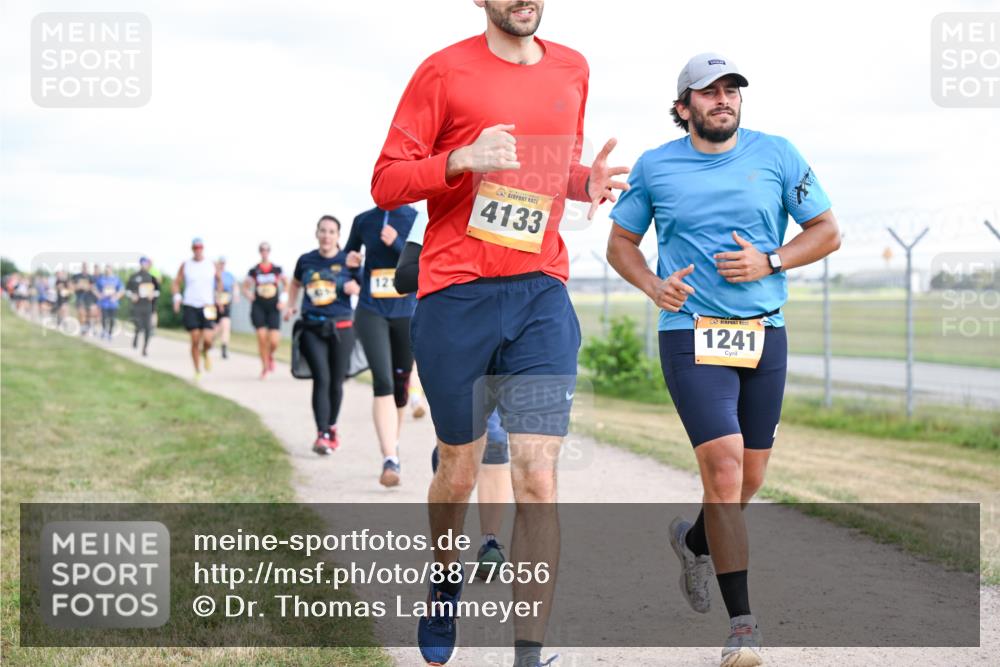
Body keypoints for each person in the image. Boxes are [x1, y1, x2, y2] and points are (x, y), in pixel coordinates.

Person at [371, 1, 628, 664]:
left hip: (541, 292)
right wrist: (460, 158)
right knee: (457, 467)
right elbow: (387, 179)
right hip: (456, 294)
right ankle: (444, 580)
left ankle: (528, 652)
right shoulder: (443, 72)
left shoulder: (573, 69)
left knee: (537, 474)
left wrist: (584, 182)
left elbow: (543, 172)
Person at [606, 53, 841, 667]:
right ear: (683, 106)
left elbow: (827, 230)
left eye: (731, 90)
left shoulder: (778, 154)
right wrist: (654, 287)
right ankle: (743, 627)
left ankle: (693, 541)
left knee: (749, 480)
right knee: (725, 466)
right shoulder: (657, 167)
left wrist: (774, 261)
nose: (723, 100)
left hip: (763, 332)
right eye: (707, 92)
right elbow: (620, 244)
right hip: (690, 331)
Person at [396, 211, 512, 578]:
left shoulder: (519, 198)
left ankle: (490, 542)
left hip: (505, 327)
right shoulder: (435, 207)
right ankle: (449, 543)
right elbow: (404, 277)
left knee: (495, 435)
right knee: (458, 448)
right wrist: (459, 260)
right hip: (450, 334)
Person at [344, 204, 418, 487]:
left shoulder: (415, 219)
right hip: (371, 308)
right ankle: (389, 458)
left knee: (400, 383)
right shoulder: (363, 220)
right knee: (383, 381)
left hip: (406, 311)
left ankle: (393, 442)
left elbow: (425, 263)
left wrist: (397, 243)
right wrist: (350, 268)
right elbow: (348, 262)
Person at [284, 216, 361, 455]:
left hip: (342, 327)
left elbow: (364, 288)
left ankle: (332, 427)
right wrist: (290, 304)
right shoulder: (306, 260)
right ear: (316, 233)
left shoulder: (349, 260)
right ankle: (322, 434)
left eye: (332, 232)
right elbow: (295, 283)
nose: (327, 236)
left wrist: (355, 287)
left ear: (338, 236)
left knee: (337, 381)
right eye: (323, 231)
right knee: (322, 378)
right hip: (312, 327)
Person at [172, 238, 221, 381]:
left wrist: (218, 296)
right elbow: (176, 283)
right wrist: (177, 298)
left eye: (200, 247)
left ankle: (205, 352)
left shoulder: (211, 264)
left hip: (208, 306)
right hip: (190, 305)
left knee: (208, 339)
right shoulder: (186, 265)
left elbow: (219, 281)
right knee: (194, 339)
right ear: (192, 249)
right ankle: (197, 370)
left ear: (203, 248)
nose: (198, 249)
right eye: (195, 247)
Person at [244, 242, 287, 379]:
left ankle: (270, 355)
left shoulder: (277, 269)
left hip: (273, 306)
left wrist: (283, 299)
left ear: (269, 252)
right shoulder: (254, 270)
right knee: (262, 337)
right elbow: (245, 287)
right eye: (262, 250)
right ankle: (264, 368)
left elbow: (287, 284)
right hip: (259, 306)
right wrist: (249, 294)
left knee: (274, 340)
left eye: (266, 250)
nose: (264, 252)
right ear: (260, 252)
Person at [126, 257, 160, 356]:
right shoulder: (134, 276)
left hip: (147, 306)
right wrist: (132, 295)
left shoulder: (152, 278)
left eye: (146, 263)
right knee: (138, 325)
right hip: (137, 305)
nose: (144, 265)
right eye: (142, 263)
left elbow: (158, 291)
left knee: (148, 328)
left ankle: (145, 348)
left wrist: (153, 295)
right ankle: (136, 337)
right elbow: (127, 290)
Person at [215, 256, 238, 359]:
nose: (222, 265)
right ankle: (208, 342)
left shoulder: (229, 275)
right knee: (215, 328)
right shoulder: (213, 275)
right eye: (220, 263)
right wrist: (217, 301)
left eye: (223, 263)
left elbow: (235, 286)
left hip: (226, 302)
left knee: (226, 325)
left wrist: (236, 295)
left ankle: (224, 347)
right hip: (213, 303)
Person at [94, 265, 124, 340]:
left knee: (112, 319)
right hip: (104, 303)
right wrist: (99, 295)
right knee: (104, 318)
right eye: (106, 270)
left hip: (113, 303)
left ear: (111, 270)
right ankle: (104, 331)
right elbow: (94, 288)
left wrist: (116, 296)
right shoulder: (101, 279)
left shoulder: (116, 279)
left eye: (108, 269)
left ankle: (110, 333)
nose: (107, 271)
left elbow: (122, 290)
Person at [72, 263, 95, 335]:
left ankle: (87, 325)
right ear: (81, 268)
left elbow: (93, 287)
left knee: (89, 313)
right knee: (81, 312)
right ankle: (82, 327)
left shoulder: (91, 277)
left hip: (88, 297)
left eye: (86, 267)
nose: (84, 269)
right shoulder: (76, 276)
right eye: (83, 267)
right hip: (79, 297)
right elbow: (72, 286)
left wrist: (87, 287)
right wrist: (78, 287)